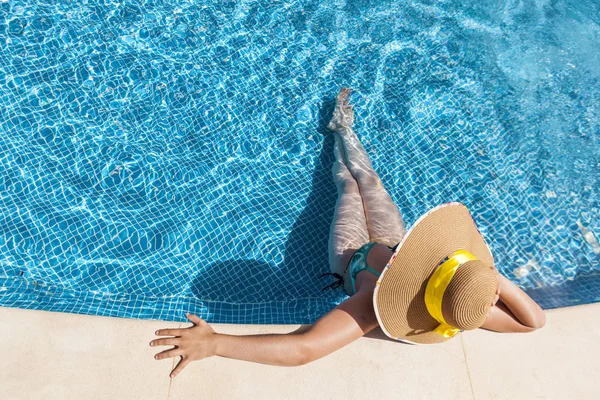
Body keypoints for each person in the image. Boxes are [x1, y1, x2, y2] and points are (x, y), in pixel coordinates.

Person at [149, 88, 546, 377]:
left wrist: (215, 344)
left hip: (352, 255)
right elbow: (535, 321)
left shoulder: (376, 300)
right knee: (368, 179)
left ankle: (338, 140)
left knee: (348, 185)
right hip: (392, 240)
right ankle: (344, 130)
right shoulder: (465, 299)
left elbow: (304, 348)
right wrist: (492, 281)